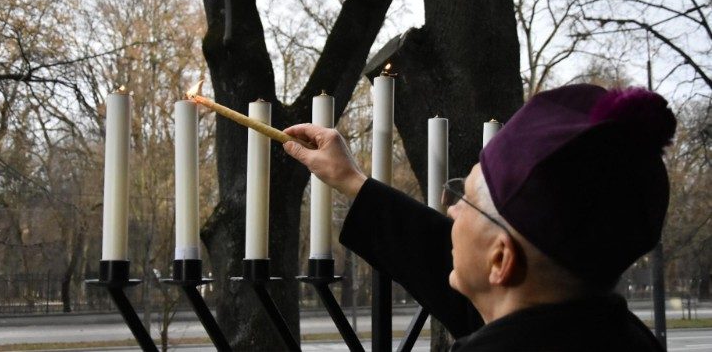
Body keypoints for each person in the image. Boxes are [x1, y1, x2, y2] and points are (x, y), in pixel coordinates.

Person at [283, 84, 675, 351]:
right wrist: (353, 182)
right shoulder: (608, 331)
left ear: (501, 260)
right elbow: (447, 261)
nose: (451, 210)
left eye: (464, 199)